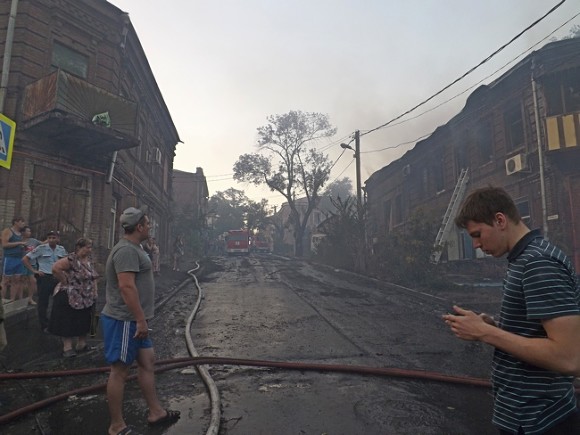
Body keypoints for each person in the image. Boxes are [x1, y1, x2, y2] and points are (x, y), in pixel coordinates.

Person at [443, 186, 580, 434]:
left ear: (500, 220)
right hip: (525, 417)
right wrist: (493, 326)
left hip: (540, 421)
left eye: (477, 234)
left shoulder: (539, 263)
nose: (475, 244)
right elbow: (537, 333)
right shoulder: (523, 259)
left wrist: (485, 333)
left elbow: (569, 357)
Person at [101, 207, 180, 434]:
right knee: (120, 370)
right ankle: (116, 426)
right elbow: (126, 287)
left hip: (136, 320)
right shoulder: (126, 251)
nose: (150, 226)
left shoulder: (136, 248)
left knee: (147, 362)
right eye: (147, 224)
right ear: (139, 227)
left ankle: (156, 412)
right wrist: (140, 320)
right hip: (125, 320)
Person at [50, 238, 98, 358]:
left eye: (90, 247)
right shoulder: (71, 259)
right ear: (79, 248)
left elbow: (94, 276)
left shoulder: (90, 260)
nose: (89, 250)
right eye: (87, 247)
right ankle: (67, 348)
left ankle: (82, 344)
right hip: (71, 295)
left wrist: (95, 291)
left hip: (86, 295)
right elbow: (55, 268)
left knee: (85, 320)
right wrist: (64, 281)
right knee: (68, 320)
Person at [22, 231, 67, 332]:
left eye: (53, 237)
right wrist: (34, 271)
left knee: (59, 302)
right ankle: (44, 325)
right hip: (45, 277)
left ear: (58, 239)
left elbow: (65, 262)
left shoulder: (61, 249)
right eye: (49, 237)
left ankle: (55, 324)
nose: (51, 239)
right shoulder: (41, 248)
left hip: (57, 278)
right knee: (43, 302)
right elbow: (25, 259)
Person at [1, 217, 27, 301]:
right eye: (22, 221)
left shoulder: (20, 233)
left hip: (19, 259)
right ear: (16, 222)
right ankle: (2, 299)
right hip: (9, 258)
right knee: (5, 280)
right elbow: (4, 244)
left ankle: (12, 299)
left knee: (16, 280)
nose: (23, 224)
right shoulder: (8, 231)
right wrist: (19, 243)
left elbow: (18, 245)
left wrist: (23, 246)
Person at [22, 226, 42, 306]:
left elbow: (42, 244)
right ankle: (20, 298)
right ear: (23, 232)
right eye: (27, 231)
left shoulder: (33, 241)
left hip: (32, 264)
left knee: (33, 281)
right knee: (21, 281)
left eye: (30, 231)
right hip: (21, 263)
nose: (29, 233)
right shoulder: (19, 241)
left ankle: (30, 298)